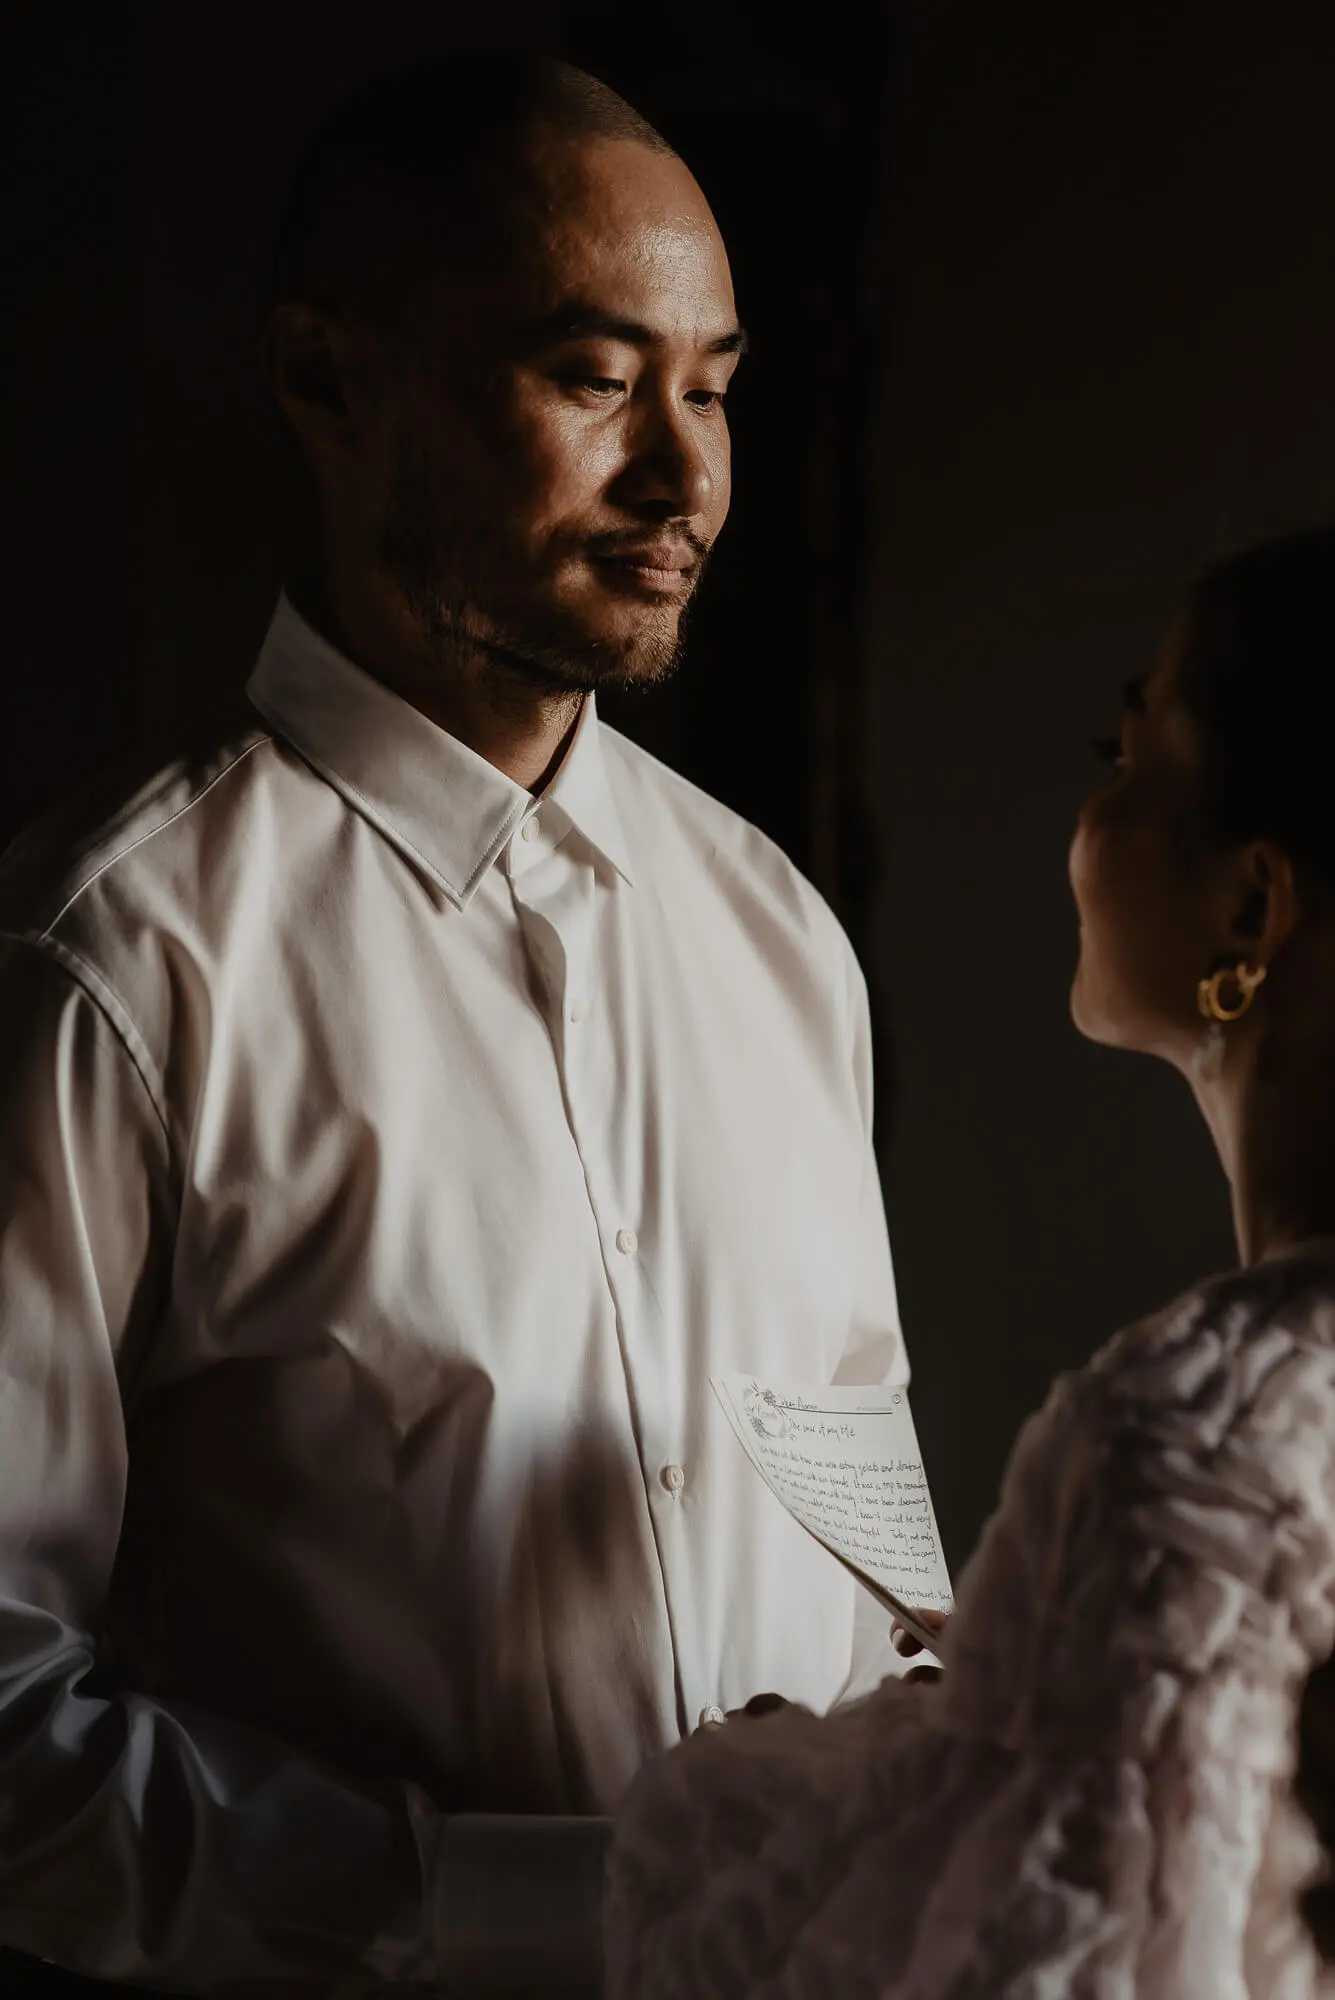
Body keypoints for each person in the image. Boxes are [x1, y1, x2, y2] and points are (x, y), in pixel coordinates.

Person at [0, 50, 909, 1999]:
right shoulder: (109, 964)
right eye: (595, 381)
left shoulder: (784, 942)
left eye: (716, 387)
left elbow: (873, 1556)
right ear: (329, 383)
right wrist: (533, 1913)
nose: (685, 474)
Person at [605, 527, 1335, 2000]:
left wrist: (733, 1785)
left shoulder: (1187, 1434)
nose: (1084, 816)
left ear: (1250, 910)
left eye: (1123, 758)